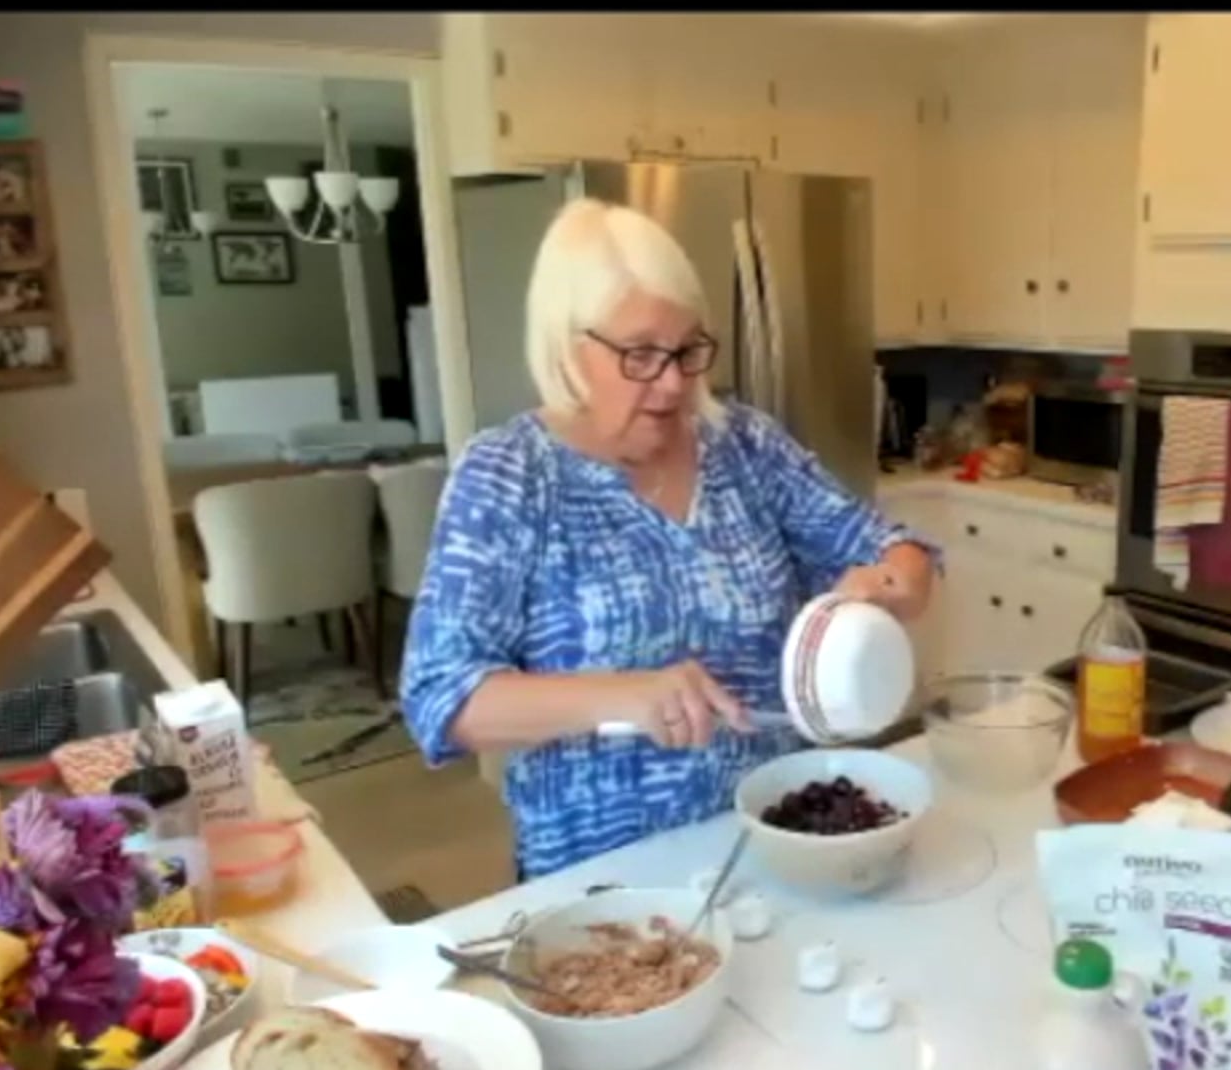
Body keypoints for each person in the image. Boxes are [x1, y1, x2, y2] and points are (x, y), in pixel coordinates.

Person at [400, 199, 936, 879]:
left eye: (686, 349)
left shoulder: (745, 444)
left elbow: (897, 546)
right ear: (568, 345)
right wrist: (620, 694)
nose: (675, 381)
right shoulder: (508, 476)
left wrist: (893, 583)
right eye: (641, 354)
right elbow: (442, 699)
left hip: (778, 844)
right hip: (602, 880)